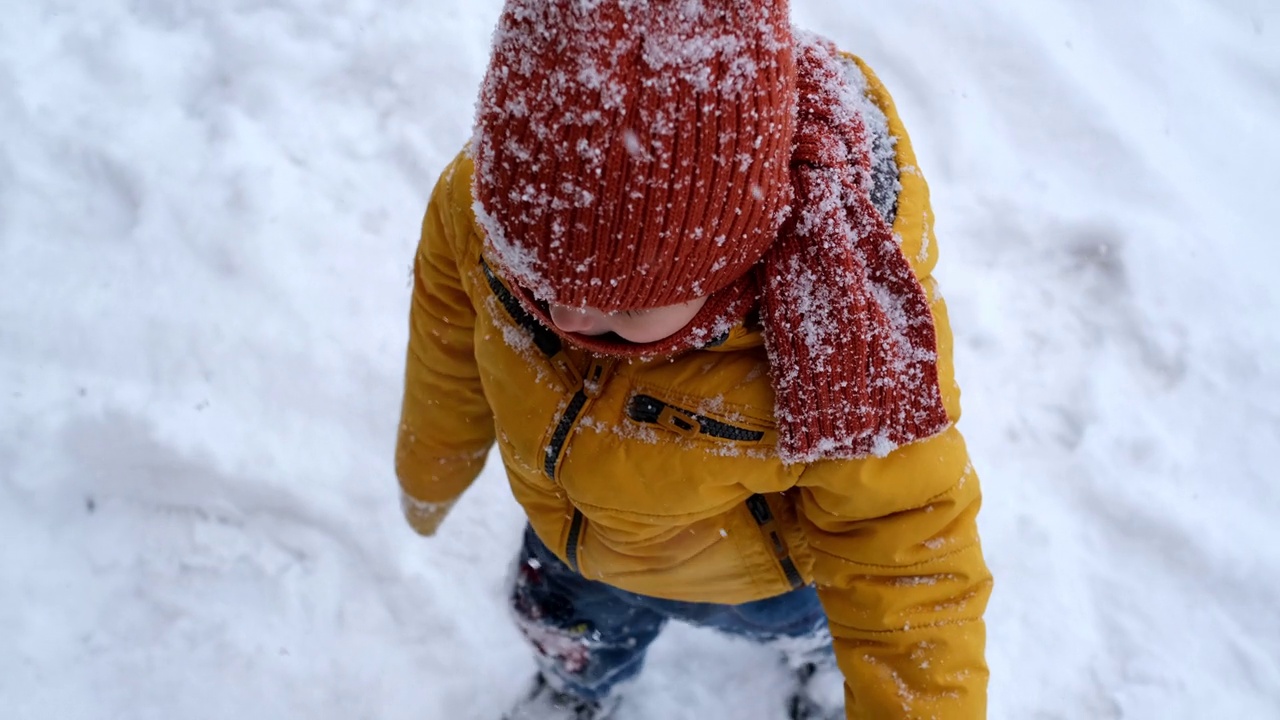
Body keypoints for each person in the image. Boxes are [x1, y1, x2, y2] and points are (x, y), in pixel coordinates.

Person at [395, 1, 992, 718]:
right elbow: (445, 353)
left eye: (626, 309)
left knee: (825, 629)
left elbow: (906, 554)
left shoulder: (839, 322)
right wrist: (430, 469)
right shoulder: (483, 210)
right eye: (538, 285)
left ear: (732, 261)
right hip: (572, 547)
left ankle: (823, 672)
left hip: (763, 584)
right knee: (565, 630)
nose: (568, 319)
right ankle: (576, 689)